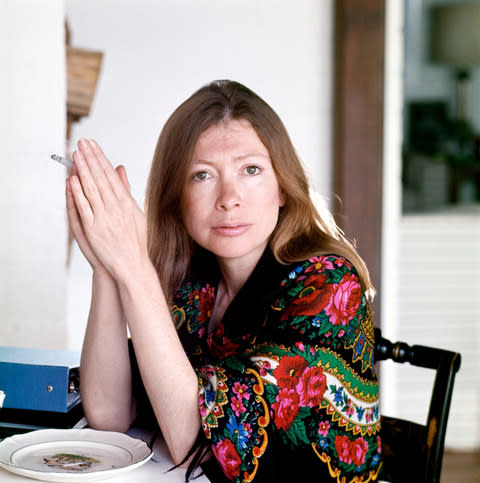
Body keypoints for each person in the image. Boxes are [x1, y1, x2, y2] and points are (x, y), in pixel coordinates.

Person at [66, 80, 382, 482]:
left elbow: (196, 442)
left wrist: (133, 265)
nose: (229, 198)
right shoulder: (194, 279)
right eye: (202, 175)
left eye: (250, 170)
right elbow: (109, 413)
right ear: (176, 198)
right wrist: (107, 266)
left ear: (282, 186)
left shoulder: (330, 285)